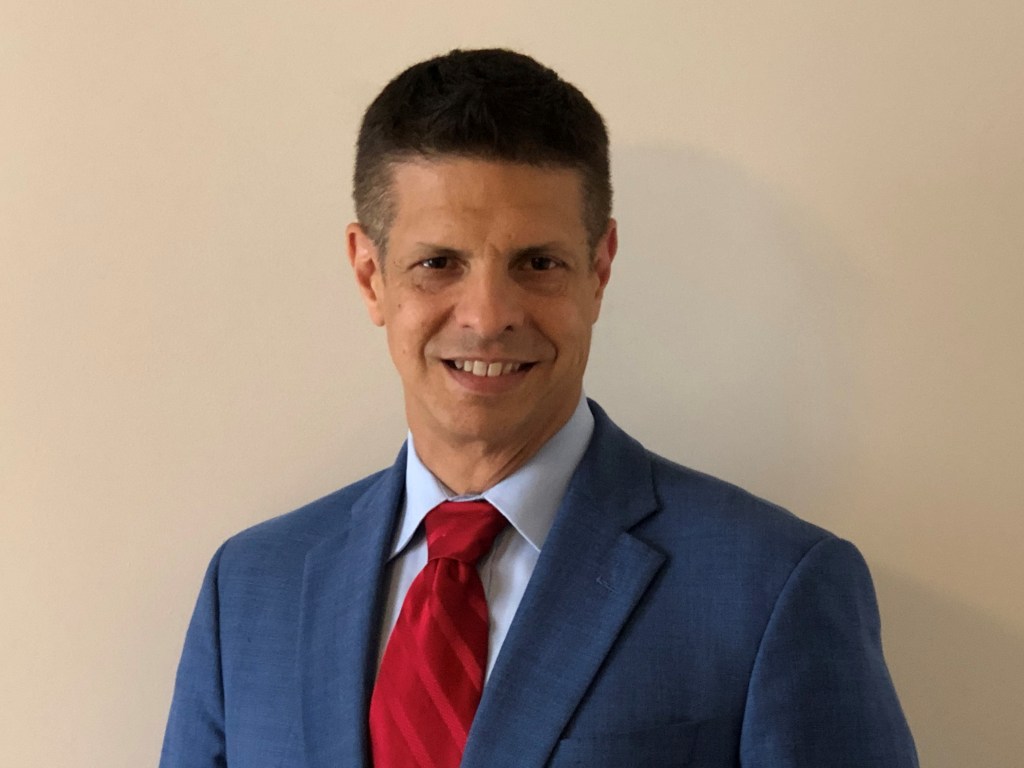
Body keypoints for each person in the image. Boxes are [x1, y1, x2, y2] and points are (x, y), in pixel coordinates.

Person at [160, 48, 918, 768]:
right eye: (438, 263)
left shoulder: (775, 586)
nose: (488, 317)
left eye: (538, 263)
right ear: (370, 275)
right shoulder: (249, 588)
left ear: (599, 269)